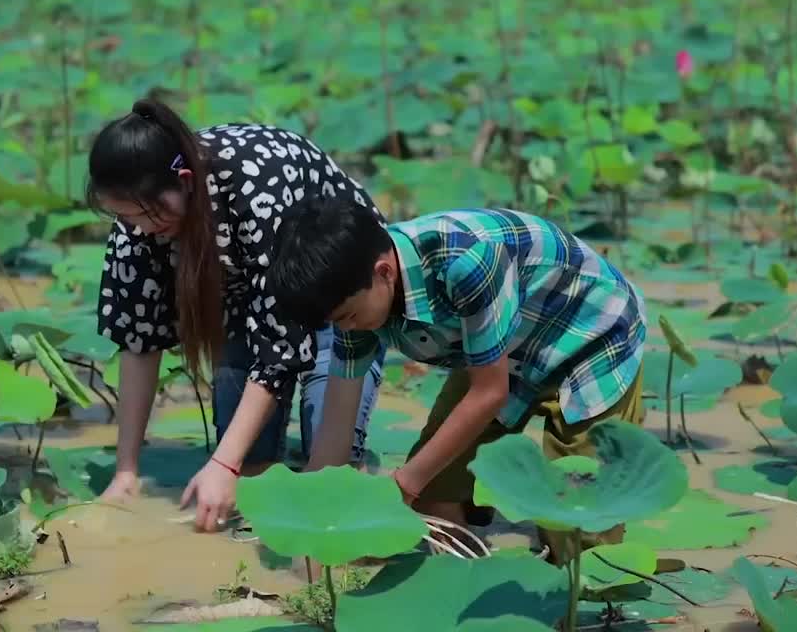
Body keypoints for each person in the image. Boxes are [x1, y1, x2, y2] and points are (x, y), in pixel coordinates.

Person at [266, 197, 647, 562]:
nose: (346, 328)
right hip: (502, 347)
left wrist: (402, 484)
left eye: (348, 317)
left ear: (384, 272)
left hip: (589, 337)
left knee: (584, 547)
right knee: (433, 496)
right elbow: (337, 420)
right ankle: (465, 573)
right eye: (336, 322)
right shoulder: (352, 291)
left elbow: (489, 393)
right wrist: (316, 513)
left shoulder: (466, 262)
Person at [88, 98, 385, 532]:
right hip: (244, 310)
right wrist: (126, 472)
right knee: (251, 469)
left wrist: (222, 465)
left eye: (145, 216)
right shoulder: (137, 219)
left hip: (340, 303)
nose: (138, 230)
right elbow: (139, 343)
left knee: (328, 472)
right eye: (123, 217)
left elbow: (280, 345)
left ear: (185, 182)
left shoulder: (255, 182)